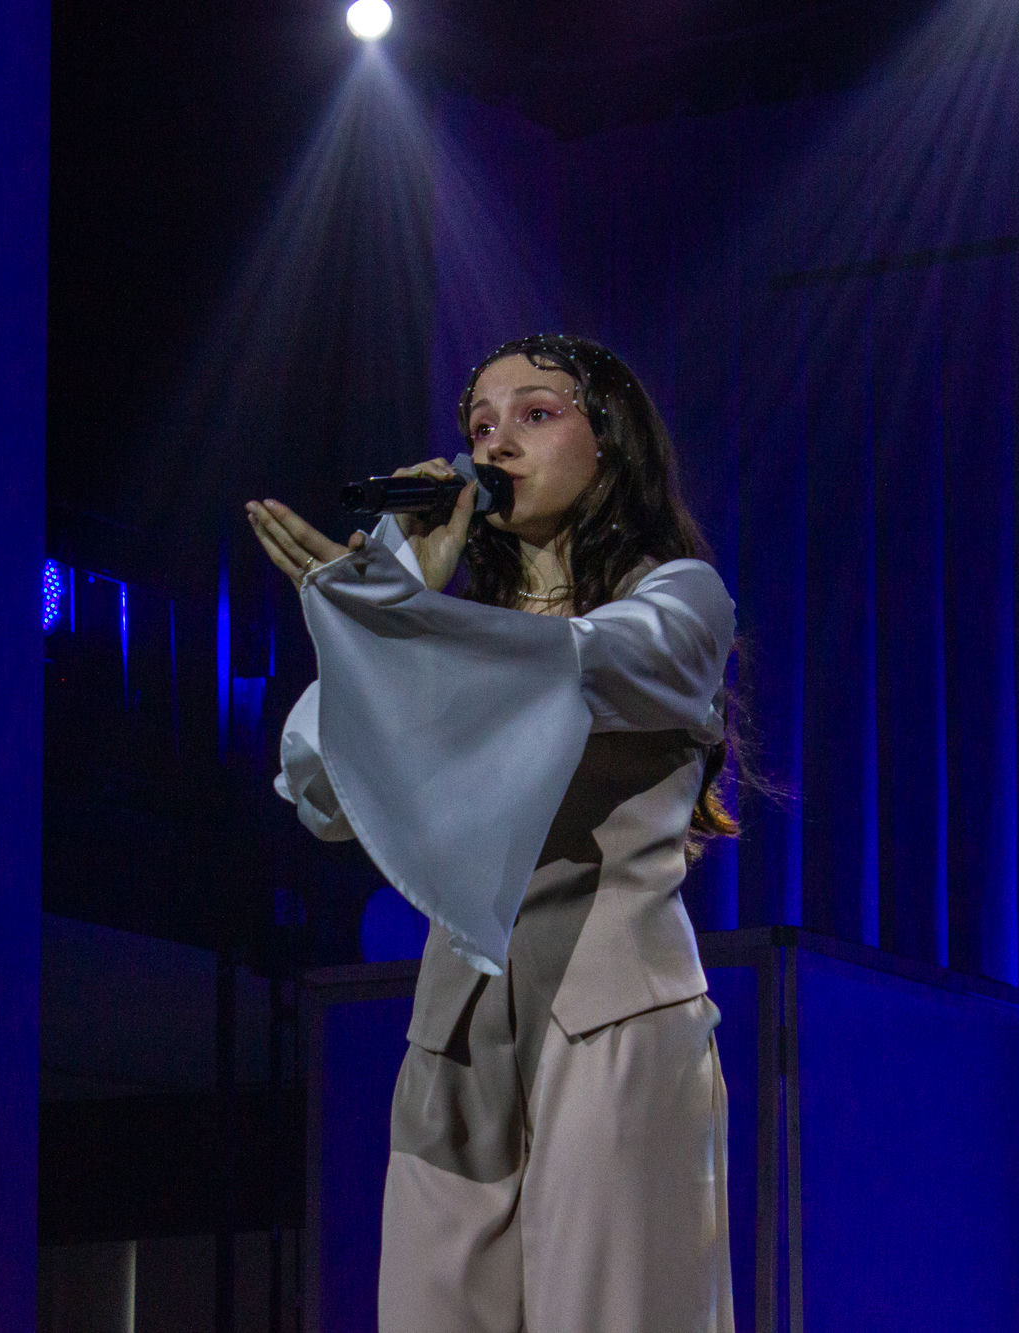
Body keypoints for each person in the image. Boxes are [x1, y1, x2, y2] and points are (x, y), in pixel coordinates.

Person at [245, 334, 738, 1333]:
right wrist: (400, 595)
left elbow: (571, 666)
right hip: (457, 1036)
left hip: (611, 1022)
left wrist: (400, 626)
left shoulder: (680, 598)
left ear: (610, 442)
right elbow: (322, 790)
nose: (494, 445)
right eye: (478, 425)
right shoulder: (451, 638)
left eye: (535, 415)